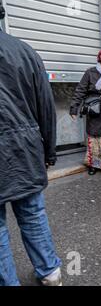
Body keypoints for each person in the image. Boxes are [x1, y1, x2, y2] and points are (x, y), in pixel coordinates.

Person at [0, 16, 62, 286]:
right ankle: (50, 273)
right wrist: (49, 152)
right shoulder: (25, 52)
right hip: (25, 150)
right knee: (32, 213)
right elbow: (46, 107)